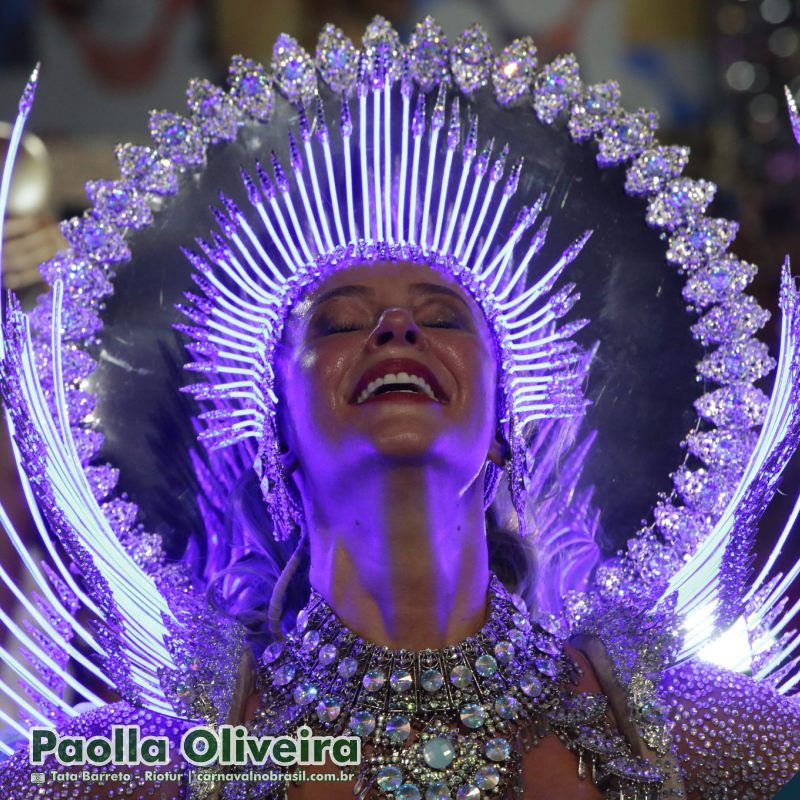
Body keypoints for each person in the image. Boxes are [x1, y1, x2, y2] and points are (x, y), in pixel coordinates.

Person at [0, 15, 799, 800]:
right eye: (341, 323)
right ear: (275, 435)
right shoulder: (162, 759)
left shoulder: (675, 728)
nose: (396, 328)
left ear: (501, 431)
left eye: (443, 318)